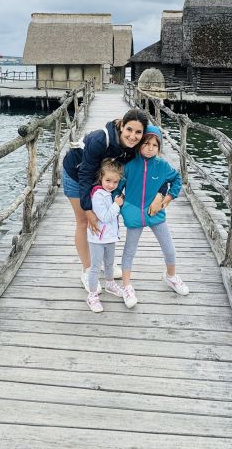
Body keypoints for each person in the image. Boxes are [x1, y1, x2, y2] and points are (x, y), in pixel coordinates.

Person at [62, 107, 150, 292]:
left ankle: (100, 262)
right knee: (84, 221)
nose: (133, 136)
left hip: (101, 179)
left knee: (102, 219)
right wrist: (88, 208)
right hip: (76, 174)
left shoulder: (133, 148)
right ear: (122, 126)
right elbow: (85, 174)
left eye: (138, 132)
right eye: (129, 130)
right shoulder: (101, 140)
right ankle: (87, 270)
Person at [118, 124, 189, 300]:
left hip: (156, 214)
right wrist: (122, 206)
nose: (150, 149)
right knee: (129, 251)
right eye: (146, 144)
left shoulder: (162, 165)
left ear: (159, 147)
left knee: (169, 249)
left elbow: (177, 179)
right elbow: (117, 188)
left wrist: (169, 197)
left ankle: (171, 277)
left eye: (155, 145)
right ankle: (126, 286)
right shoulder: (129, 165)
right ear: (139, 144)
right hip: (134, 216)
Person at [85, 159, 130, 313]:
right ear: (101, 178)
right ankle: (92, 295)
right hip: (98, 238)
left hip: (109, 237)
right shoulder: (98, 195)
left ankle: (110, 284)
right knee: (95, 267)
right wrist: (117, 204)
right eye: (108, 180)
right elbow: (104, 217)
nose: (111, 185)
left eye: (115, 182)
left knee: (110, 263)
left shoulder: (109, 193)